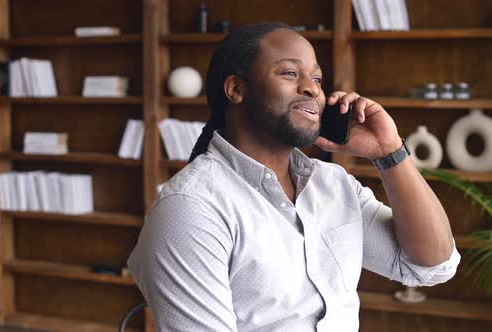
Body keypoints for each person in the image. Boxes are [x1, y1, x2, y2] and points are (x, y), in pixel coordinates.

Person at [127, 22, 460, 331]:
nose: (311, 89)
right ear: (236, 89)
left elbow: (431, 265)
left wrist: (389, 153)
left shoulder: (334, 184)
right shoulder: (190, 208)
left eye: (316, 79)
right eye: (289, 72)